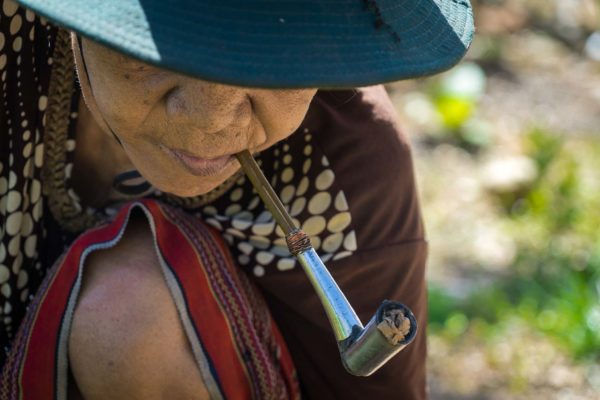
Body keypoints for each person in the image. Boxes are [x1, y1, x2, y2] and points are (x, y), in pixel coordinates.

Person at [0, 0, 474, 398]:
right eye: (159, 46)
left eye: (274, 53)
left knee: (126, 319)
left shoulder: (347, 170)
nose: (213, 122)